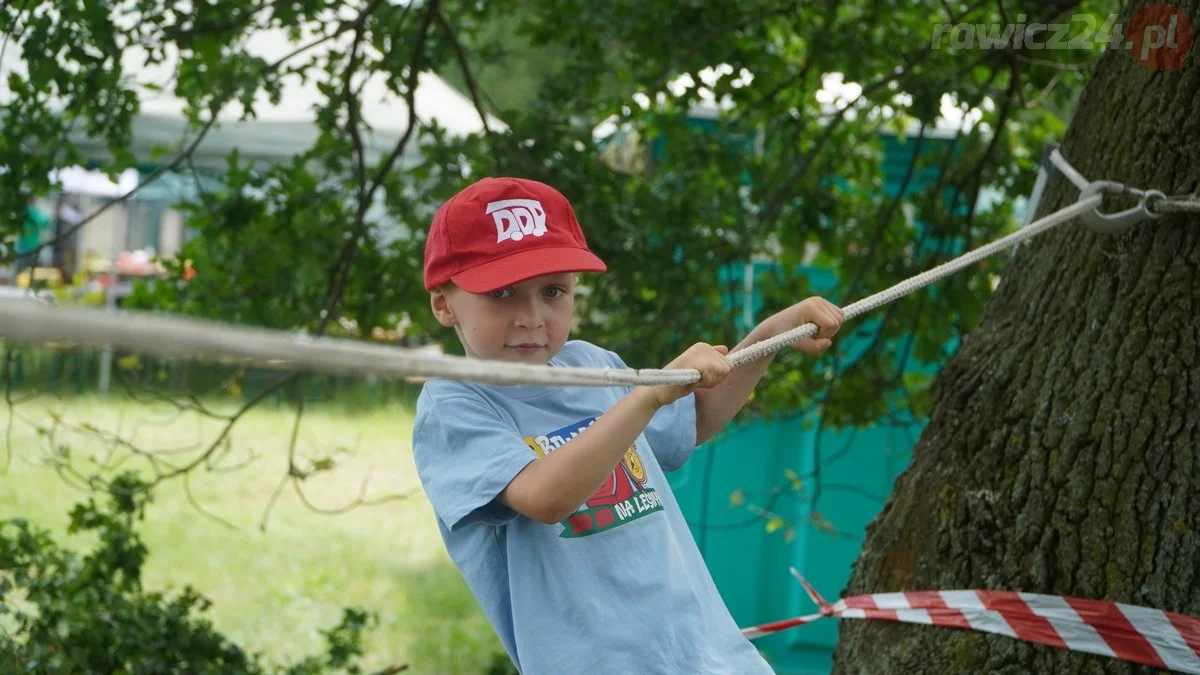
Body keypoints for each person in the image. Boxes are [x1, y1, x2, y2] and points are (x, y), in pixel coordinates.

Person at [413, 177, 844, 674]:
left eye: (553, 291)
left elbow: (697, 419)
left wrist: (770, 334)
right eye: (502, 293)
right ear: (444, 304)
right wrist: (647, 396)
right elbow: (545, 497)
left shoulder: (592, 365)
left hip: (709, 655)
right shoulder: (454, 404)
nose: (531, 317)